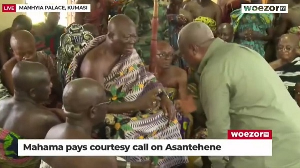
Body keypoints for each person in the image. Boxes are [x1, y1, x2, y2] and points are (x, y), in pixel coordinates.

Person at [65, 14, 188, 167]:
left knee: (169, 117)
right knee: (129, 132)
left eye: (134, 37)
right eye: (127, 37)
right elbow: (97, 107)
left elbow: (144, 76)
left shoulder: (127, 49)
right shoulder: (94, 64)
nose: (132, 42)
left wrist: (163, 97)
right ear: (111, 36)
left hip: (137, 105)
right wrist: (137, 105)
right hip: (109, 114)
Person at [178, 21, 300, 168]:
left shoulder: (214, 69)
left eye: (184, 55)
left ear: (193, 49)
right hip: (289, 135)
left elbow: (219, 129)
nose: (185, 60)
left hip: (275, 148)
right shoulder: (241, 52)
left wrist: (217, 164)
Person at [0, 61, 61, 168]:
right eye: (47, 83)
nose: (51, 85)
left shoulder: (1, 105)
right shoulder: (45, 119)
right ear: (33, 92)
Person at [146, 41, 194, 139]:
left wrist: (179, 104)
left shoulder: (180, 74)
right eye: (162, 54)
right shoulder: (143, 72)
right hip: (147, 112)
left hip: (171, 113)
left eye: (171, 55)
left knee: (186, 119)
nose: (168, 58)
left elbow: (185, 102)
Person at [1, 30, 61, 108]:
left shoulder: (46, 59)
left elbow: (58, 86)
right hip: (28, 108)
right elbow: (20, 100)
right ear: (13, 52)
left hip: (51, 103)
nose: (26, 57)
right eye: (21, 54)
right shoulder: (9, 69)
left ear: (35, 48)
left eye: (30, 53)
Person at [122, 0, 169, 64]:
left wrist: (167, 46)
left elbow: (165, 28)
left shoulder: (161, 5)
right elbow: (131, 34)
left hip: (160, 50)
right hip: (142, 51)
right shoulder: (133, 7)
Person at [167, 0, 191, 70]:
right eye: (173, 3)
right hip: (164, 49)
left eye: (179, 4)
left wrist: (179, 52)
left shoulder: (186, 15)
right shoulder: (161, 12)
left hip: (180, 50)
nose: (176, 6)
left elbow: (189, 36)